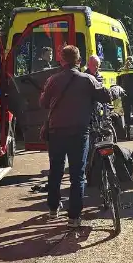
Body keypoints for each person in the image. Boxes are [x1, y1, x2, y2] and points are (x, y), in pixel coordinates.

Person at [39, 45, 120, 227]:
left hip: (56, 131)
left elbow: (43, 103)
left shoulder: (52, 80)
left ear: (61, 60)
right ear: (79, 61)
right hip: (79, 132)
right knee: (77, 174)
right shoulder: (88, 80)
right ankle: (74, 217)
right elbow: (106, 96)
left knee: (56, 170)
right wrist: (116, 90)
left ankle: (53, 209)